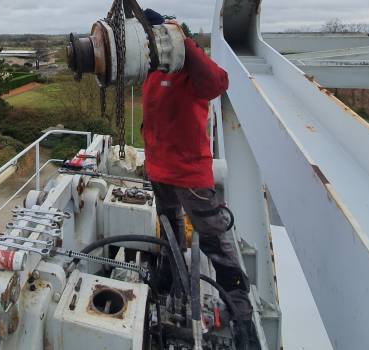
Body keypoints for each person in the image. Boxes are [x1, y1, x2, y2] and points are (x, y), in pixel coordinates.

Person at [141, 9, 254, 327]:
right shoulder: (152, 69)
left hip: (189, 172)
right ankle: (170, 276)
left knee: (212, 237)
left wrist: (184, 42)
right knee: (170, 226)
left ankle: (238, 306)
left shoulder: (190, 69)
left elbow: (218, 83)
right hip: (159, 167)